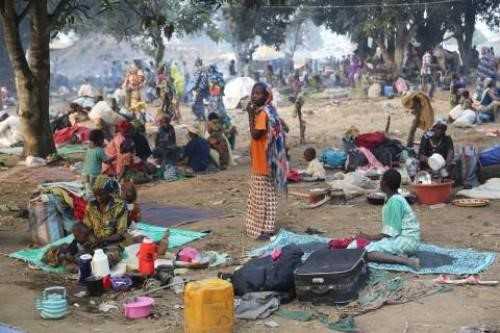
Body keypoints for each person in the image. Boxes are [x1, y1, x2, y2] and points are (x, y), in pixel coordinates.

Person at [245, 82, 288, 240]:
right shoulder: (271, 111)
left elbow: (255, 135)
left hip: (262, 163)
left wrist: (249, 114)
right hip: (271, 162)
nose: (254, 96)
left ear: (266, 96)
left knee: (259, 198)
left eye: (258, 94)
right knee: (270, 197)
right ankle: (268, 229)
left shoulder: (262, 114)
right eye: (253, 93)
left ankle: (258, 231)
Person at [358, 169, 420, 269]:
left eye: (380, 180)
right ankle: (399, 254)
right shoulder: (393, 198)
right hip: (405, 238)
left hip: (407, 241)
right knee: (375, 244)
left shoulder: (395, 201)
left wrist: (368, 237)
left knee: (367, 252)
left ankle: (408, 261)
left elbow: (390, 233)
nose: (379, 183)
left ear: (384, 183)